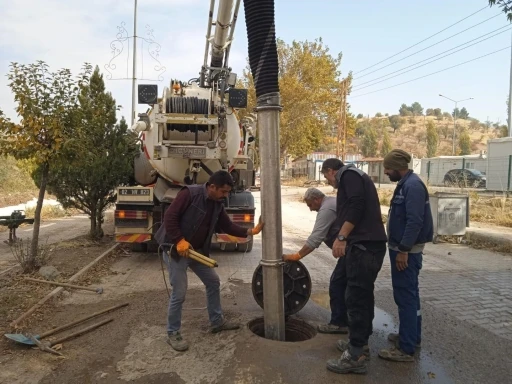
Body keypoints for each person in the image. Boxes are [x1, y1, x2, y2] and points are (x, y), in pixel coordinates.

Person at [155, 170, 264, 352]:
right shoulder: (189, 194)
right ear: (212, 187)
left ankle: (216, 322)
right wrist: (179, 240)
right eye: (223, 191)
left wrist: (249, 231)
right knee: (180, 293)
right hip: (176, 250)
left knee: (213, 282)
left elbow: (226, 225)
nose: (226, 195)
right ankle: (173, 332)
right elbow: (170, 217)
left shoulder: (217, 203)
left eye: (228, 192)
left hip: (196, 252)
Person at [321, 158, 387, 375]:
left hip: (365, 246)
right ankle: (357, 342)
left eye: (326, 177)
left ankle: (356, 355)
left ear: (331, 171)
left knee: (357, 297)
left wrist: (341, 236)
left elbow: (357, 205)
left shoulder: (349, 175)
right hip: (360, 246)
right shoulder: (353, 177)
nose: (329, 182)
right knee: (347, 287)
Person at [378, 149, 433, 362]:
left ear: (398, 168)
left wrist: (403, 250)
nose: (385, 172)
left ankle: (406, 349)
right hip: (402, 249)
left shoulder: (412, 186)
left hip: (406, 252)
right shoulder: (406, 184)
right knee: (410, 296)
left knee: (405, 298)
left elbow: (414, 221)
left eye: (388, 168)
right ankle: (411, 337)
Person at [282, 187, 347, 334]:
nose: (311, 209)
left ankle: (339, 323)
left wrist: (296, 256)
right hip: (352, 251)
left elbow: (315, 238)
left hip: (353, 252)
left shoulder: (326, 209)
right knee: (344, 285)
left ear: (317, 199)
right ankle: (346, 321)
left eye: (310, 205)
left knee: (337, 284)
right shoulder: (331, 202)